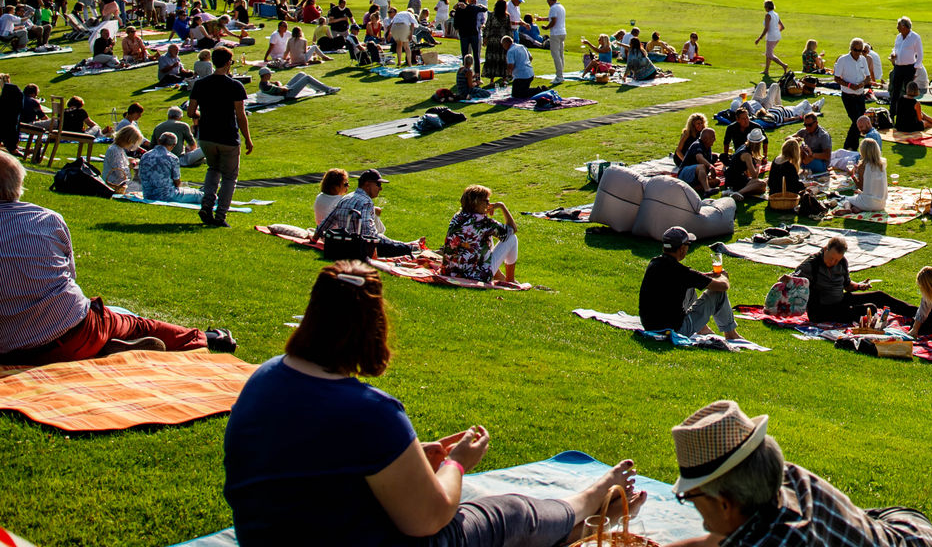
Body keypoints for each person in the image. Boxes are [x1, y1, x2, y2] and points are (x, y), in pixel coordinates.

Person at [224, 261, 637, 546]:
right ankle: (587, 504)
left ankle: (575, 522)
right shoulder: (371, 412)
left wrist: (408, 458)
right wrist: (456, 464)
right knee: (503, 513)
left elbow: (315, 465)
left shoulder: (265, 377)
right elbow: (428, 521)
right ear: (375, 329)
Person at [0, 152, 234, 363]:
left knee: (111, 316)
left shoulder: (47, 219)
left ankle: (105, 346)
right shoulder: (46, 220)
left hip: (8, 350)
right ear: (18, 185)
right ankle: (209, 337)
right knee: (134, 324)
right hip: (72, 334)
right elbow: (69, 276)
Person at [665, 399, 932, 547]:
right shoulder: (776, 483)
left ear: (725, 503)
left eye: (690, 497)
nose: (693, 507)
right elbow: (720, 536)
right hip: (898, 531)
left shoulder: (780, 540)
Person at [188, 45, 253, 227]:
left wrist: (205, 115)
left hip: (207, 135)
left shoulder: (200, 84)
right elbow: (240, 116)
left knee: (212, 169)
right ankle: (220, 215)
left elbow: (191, 111)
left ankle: (206, 205)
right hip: (228, 136)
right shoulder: (234, 86)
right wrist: (247, 138)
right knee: (229, 177)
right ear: (228, 63)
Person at [791, 238, 919, 325]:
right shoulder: (812, 264)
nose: (833, 263)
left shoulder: (841, 263)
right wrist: (787, 279)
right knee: (870, 310)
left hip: (840, 300)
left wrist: (859, 286)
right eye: (831, 259)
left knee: (879, 296)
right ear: (825, 249)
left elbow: (847, 286)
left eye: (837, 260)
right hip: (821, 310)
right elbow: (791, 281)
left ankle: (919, 314)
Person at [640, 225, 737, 337]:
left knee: (689, 287)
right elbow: (723, 286)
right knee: (718, 293)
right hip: (674, 330)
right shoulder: (682, 272)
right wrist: (723, 276)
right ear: (682, 249)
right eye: (688, 245)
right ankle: (730, 333)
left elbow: (687, 278)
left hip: (650, 325)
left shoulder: (654, 264)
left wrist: (707, 276)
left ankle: (702, 328)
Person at [319, 170, 419, 260]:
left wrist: (314, 238)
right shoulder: (366, 202)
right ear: (367, 184)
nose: (380, 188)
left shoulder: (345, 198)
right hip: (361, 246)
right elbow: (369, 234)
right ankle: (413, 248)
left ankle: (410, 245)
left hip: (344, 244)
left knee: (390, 241)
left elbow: (327, 222)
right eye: (378, 184)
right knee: (402, 248)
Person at [442, 185, 518, 285]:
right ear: (476, 203)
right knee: (512, 238)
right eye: (486, 201)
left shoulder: (458, 216)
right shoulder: (482, 221)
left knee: (486, 237)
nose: (489, 204)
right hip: (476, 276)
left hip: (450, 272)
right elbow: (512, 229)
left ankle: (498, 275)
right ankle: (510, 280)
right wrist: (502, 206)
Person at [832, 37, 878, 124]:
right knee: (857, 120)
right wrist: (849, 85)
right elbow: (836, 78)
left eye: (860, 50)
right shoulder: (843, 60)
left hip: (860, 95)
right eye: (855, 50)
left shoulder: (863, 59)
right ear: (851, 48)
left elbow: (868, 77)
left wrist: (863, 83)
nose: (857, 53)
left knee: (860, 120)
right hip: (848, 95)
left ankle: (854, 137)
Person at [889, 16, 923, 131]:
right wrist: (893, 54)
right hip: (898, 67)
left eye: (898, 25)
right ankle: (892, 115)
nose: (897, 28)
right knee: (895, 92)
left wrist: (916, 69)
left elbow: (920, 54)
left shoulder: (915, 37)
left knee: (909, 93)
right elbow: (895, 49)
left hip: (909, 67)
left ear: (904, 27)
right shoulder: (898, 37)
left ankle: (909, 116)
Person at [840, 137, 887, 213]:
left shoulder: (864, 165)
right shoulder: (882, 164)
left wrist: (852, 175)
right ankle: (859, 208)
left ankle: (847, 208)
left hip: (869, 202)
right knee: (858, 196)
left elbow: (861, 187)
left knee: (845, 198)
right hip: (882, 203)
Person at [724, 130, 769, 199]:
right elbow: (754, 176)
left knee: (761, 182)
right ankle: (738, 193)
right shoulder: (746, 155)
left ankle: (732, 191)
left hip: (733, 178)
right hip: (735, 180)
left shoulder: (744, 147)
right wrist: (758, 165)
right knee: (762, 185)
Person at [482, 0, 511, 84]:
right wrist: (509, 41)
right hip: (503, 41)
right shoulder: (506, 16)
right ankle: (504, 78)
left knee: (492, 60)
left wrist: (485, 38)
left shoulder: (491, 15)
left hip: (492, 40)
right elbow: (508, 29)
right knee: (502, 59)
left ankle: (492, 80)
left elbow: (487, 27)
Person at [755, 0, 787, 77]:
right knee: (768, 53)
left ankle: (783, 65)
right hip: (777, 36)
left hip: (771, 37)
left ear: (767, 7)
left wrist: (759, 38)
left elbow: (766, 28)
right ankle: (766, 70)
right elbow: (782, 27)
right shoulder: (776, 14)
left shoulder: (768, 15)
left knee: (769, 54)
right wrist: (776, 31)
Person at [542, 0, 567, 86]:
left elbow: (553, 21)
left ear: (551, 0)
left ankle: (559, 76)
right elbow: (553, 18)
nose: (548, 3)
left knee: (555, 54)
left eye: (548, 1)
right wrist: (542, 19)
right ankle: (561, 74)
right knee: (560, 54)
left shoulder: (553, 8)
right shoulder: (561, 7)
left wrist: (546, 27)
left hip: (555, 33)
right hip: (562, 32)